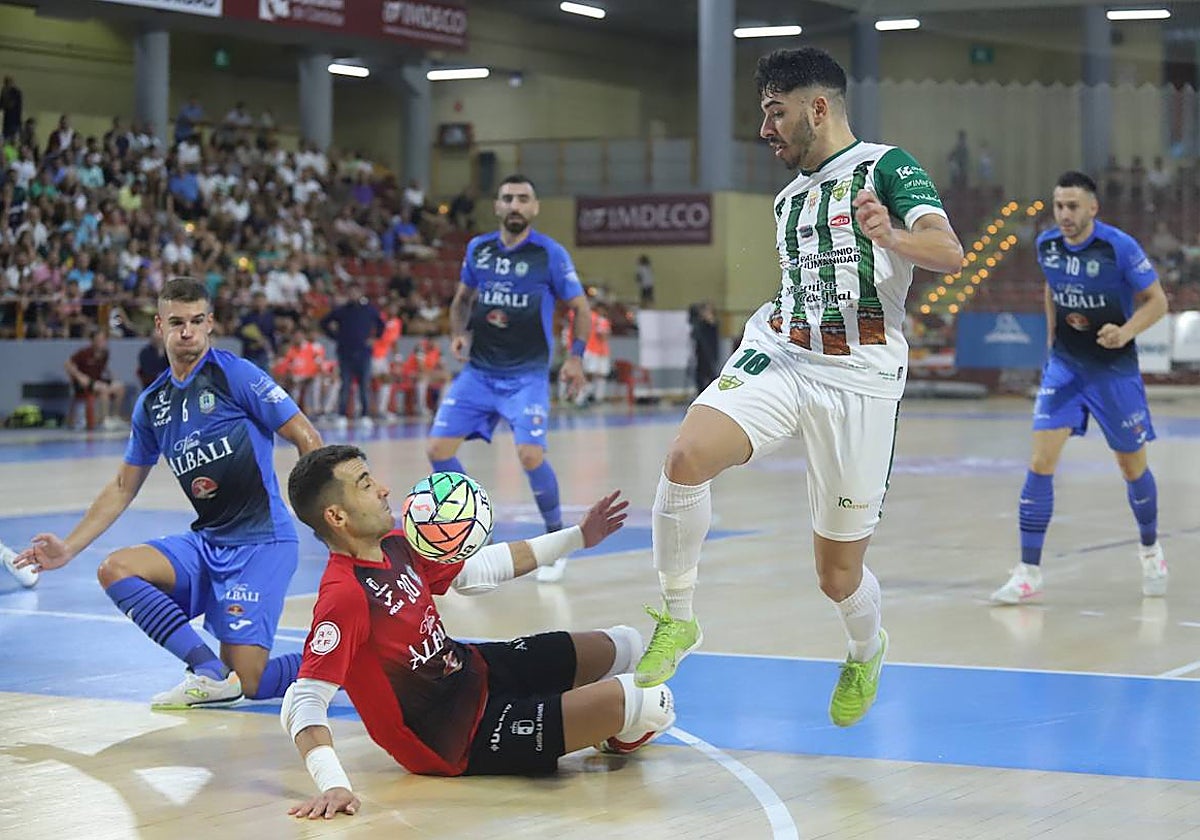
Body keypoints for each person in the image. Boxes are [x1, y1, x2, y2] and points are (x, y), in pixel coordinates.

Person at [632, 48, 963, 729]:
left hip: (860, 379)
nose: (765, 130)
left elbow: (950, 253)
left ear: (816, 108)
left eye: (774, 113)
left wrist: (892, 235)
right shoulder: (787, 198)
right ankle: (679, 615)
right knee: (684, 458)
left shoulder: (885, 168)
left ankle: (866, 649)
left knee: (836, 576)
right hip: (781, 351)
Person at [279, 445, 675, 818]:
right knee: (650, 701)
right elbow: (306, 700)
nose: (384, 490)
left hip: (476, 671)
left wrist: (577, 537)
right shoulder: (345, 596)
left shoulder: (397, 545)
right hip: (454, 736)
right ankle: (607, 732)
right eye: (366, 484)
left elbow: (479, 568)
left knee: (627, 645)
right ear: (337, 516)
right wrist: (333, 783)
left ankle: (589, 724)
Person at [14, 277, 324, 708]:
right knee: (116, 569)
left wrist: (326, 520)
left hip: (261, 544)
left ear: (210, 323)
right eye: (177, 322)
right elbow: (124, 485)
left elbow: (308, 439)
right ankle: (206, 669)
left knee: (251, 682)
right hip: (208, 542)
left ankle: (351, 659)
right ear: (159, 326)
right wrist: (67, 547)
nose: (187, 332)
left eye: (197, 321)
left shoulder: (234, 374)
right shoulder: (153, 403)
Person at [990, 171, 1170, 605]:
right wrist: (1053, 339)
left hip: (1114, 372)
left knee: (1132, 468)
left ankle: (1150, 551)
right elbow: (1051, 290)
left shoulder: (1118, 247)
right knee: (1040, 461)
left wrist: (1125, 332)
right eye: (1059, 206)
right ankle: (1029, 571)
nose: (1065, 214)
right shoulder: (1046, 245)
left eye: (1073, 206)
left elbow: (1158, 302)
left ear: (1092, 208)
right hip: (1066, 370)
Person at [427, 174, 590, 583]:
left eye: (523, 199)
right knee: (437, 450)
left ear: (534, 208)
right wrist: (458, 333)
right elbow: (463, 299)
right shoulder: (478, 250)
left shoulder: (549, 254)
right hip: (479, 373)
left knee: (530, 455)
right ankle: (473, 524)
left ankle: (555, 542)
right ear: (497, 207)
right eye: (507, 199)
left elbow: (580, 309)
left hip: (526, 377)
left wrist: (575, 358)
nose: (515, 205)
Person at [320, 285, 384, 430]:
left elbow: (381, 325)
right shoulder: (342, 310)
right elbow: (324, 322)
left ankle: (365, 415)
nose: (353, 294)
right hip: (345, 353)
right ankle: (342, 415)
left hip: (364, 353)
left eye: (356, 291)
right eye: (351, 291)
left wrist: (375, 338)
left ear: (360, 293)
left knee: (364, 385)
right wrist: (336, 337)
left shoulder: (369, 309)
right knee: (345, 385)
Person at [65, 327, 128, 430]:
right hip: (83, 384)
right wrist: (80, 377)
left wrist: (112, 377)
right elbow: (67, 364)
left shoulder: (105, 353)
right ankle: (104, 420)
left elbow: (103, 368)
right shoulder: (84, 353)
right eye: (99, 340)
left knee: (119, 387)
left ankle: (115, 416)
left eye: (103, 340)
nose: (101, 342)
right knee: (104, 390)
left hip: (97, 381)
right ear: (93, 341)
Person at [689, 301, 720, 394]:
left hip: (710, 354)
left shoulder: (712, 324)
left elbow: (713, 324)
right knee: (700, 376)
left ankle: (713, 394)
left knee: (711, 375)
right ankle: (701, 394)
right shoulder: (699, 324)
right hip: (701, 354)